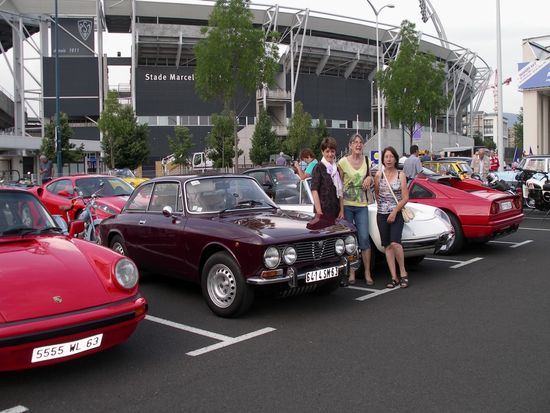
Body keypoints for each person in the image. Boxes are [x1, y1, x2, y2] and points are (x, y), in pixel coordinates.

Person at [337, 133, 374, 286]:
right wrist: (340, 209)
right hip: (346, 205)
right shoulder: (343, 162)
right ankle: (351, 272)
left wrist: (369, 178)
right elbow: (338, 187)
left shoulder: (367, 161)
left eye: (361, 142)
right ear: (350, 145)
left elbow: (371, 178)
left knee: (364, 238)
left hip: (361, 206)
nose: (358, 145)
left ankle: (367, 272)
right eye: (355, 142)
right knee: (350, 240)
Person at [374, 146, 409, 289]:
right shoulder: (378, 175)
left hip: (397, 212)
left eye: (391, 157)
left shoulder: (401, 175)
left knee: (396, 243)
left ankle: (403, 273)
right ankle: (393, 277)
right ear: (383, 159)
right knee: (387, 246)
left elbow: (405, 197)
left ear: (395, 158)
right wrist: (383, 209)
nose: (388, 159)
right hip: (381, 214)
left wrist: (394, 211)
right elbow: (377, 194)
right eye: (386, 157)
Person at [310, 136, 344, 230]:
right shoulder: (318, 167)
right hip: (322, 212)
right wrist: (319, 211)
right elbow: (314, 190)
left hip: (335, 212)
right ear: (322, 152)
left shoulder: (336, 168)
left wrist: (342, 210)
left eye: (332, 151)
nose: (330, 154)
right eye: (327, 151)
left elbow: (340, 191)